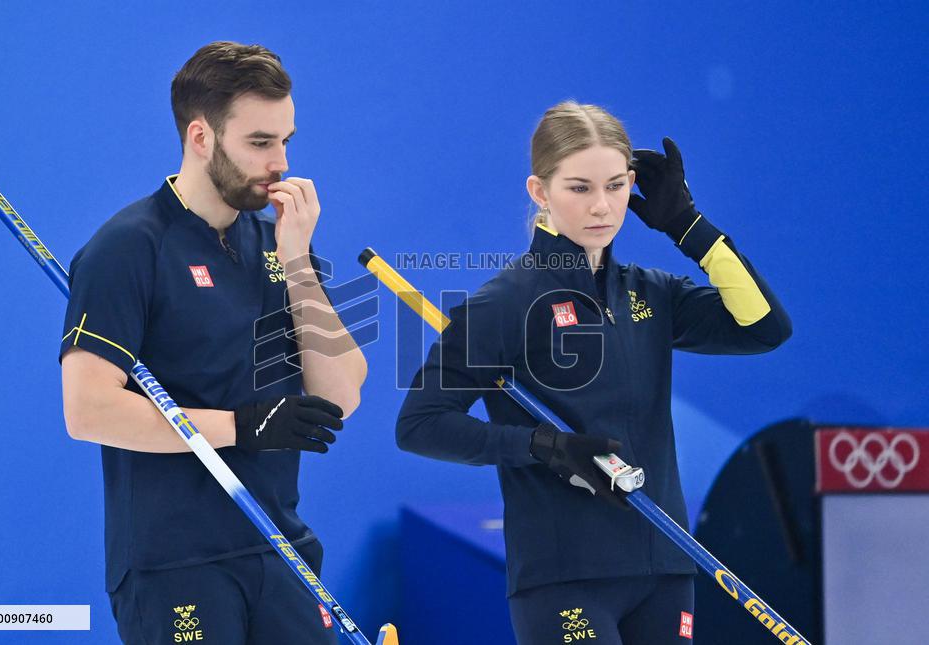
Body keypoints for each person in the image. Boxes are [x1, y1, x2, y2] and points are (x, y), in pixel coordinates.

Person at [395, 101, 791, 644]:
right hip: (565, 575)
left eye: (616, 185)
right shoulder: (505, 303)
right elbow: (420, 424)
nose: (602, 206)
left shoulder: (650, 292)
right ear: (540, 192)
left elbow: (764, 328)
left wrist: (689, 227)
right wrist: (545, 446)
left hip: (665, 565)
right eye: (579, 188)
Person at [59, 41, 366, 644]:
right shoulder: (127, 247)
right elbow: (87, 410)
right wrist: (241, 425)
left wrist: (298, 259)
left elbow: (341, 392)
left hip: (282, 549)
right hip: (175, 563)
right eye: (259, 143)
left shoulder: (280, 243)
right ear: (201, 137)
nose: (280, 162)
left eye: (286, 140)